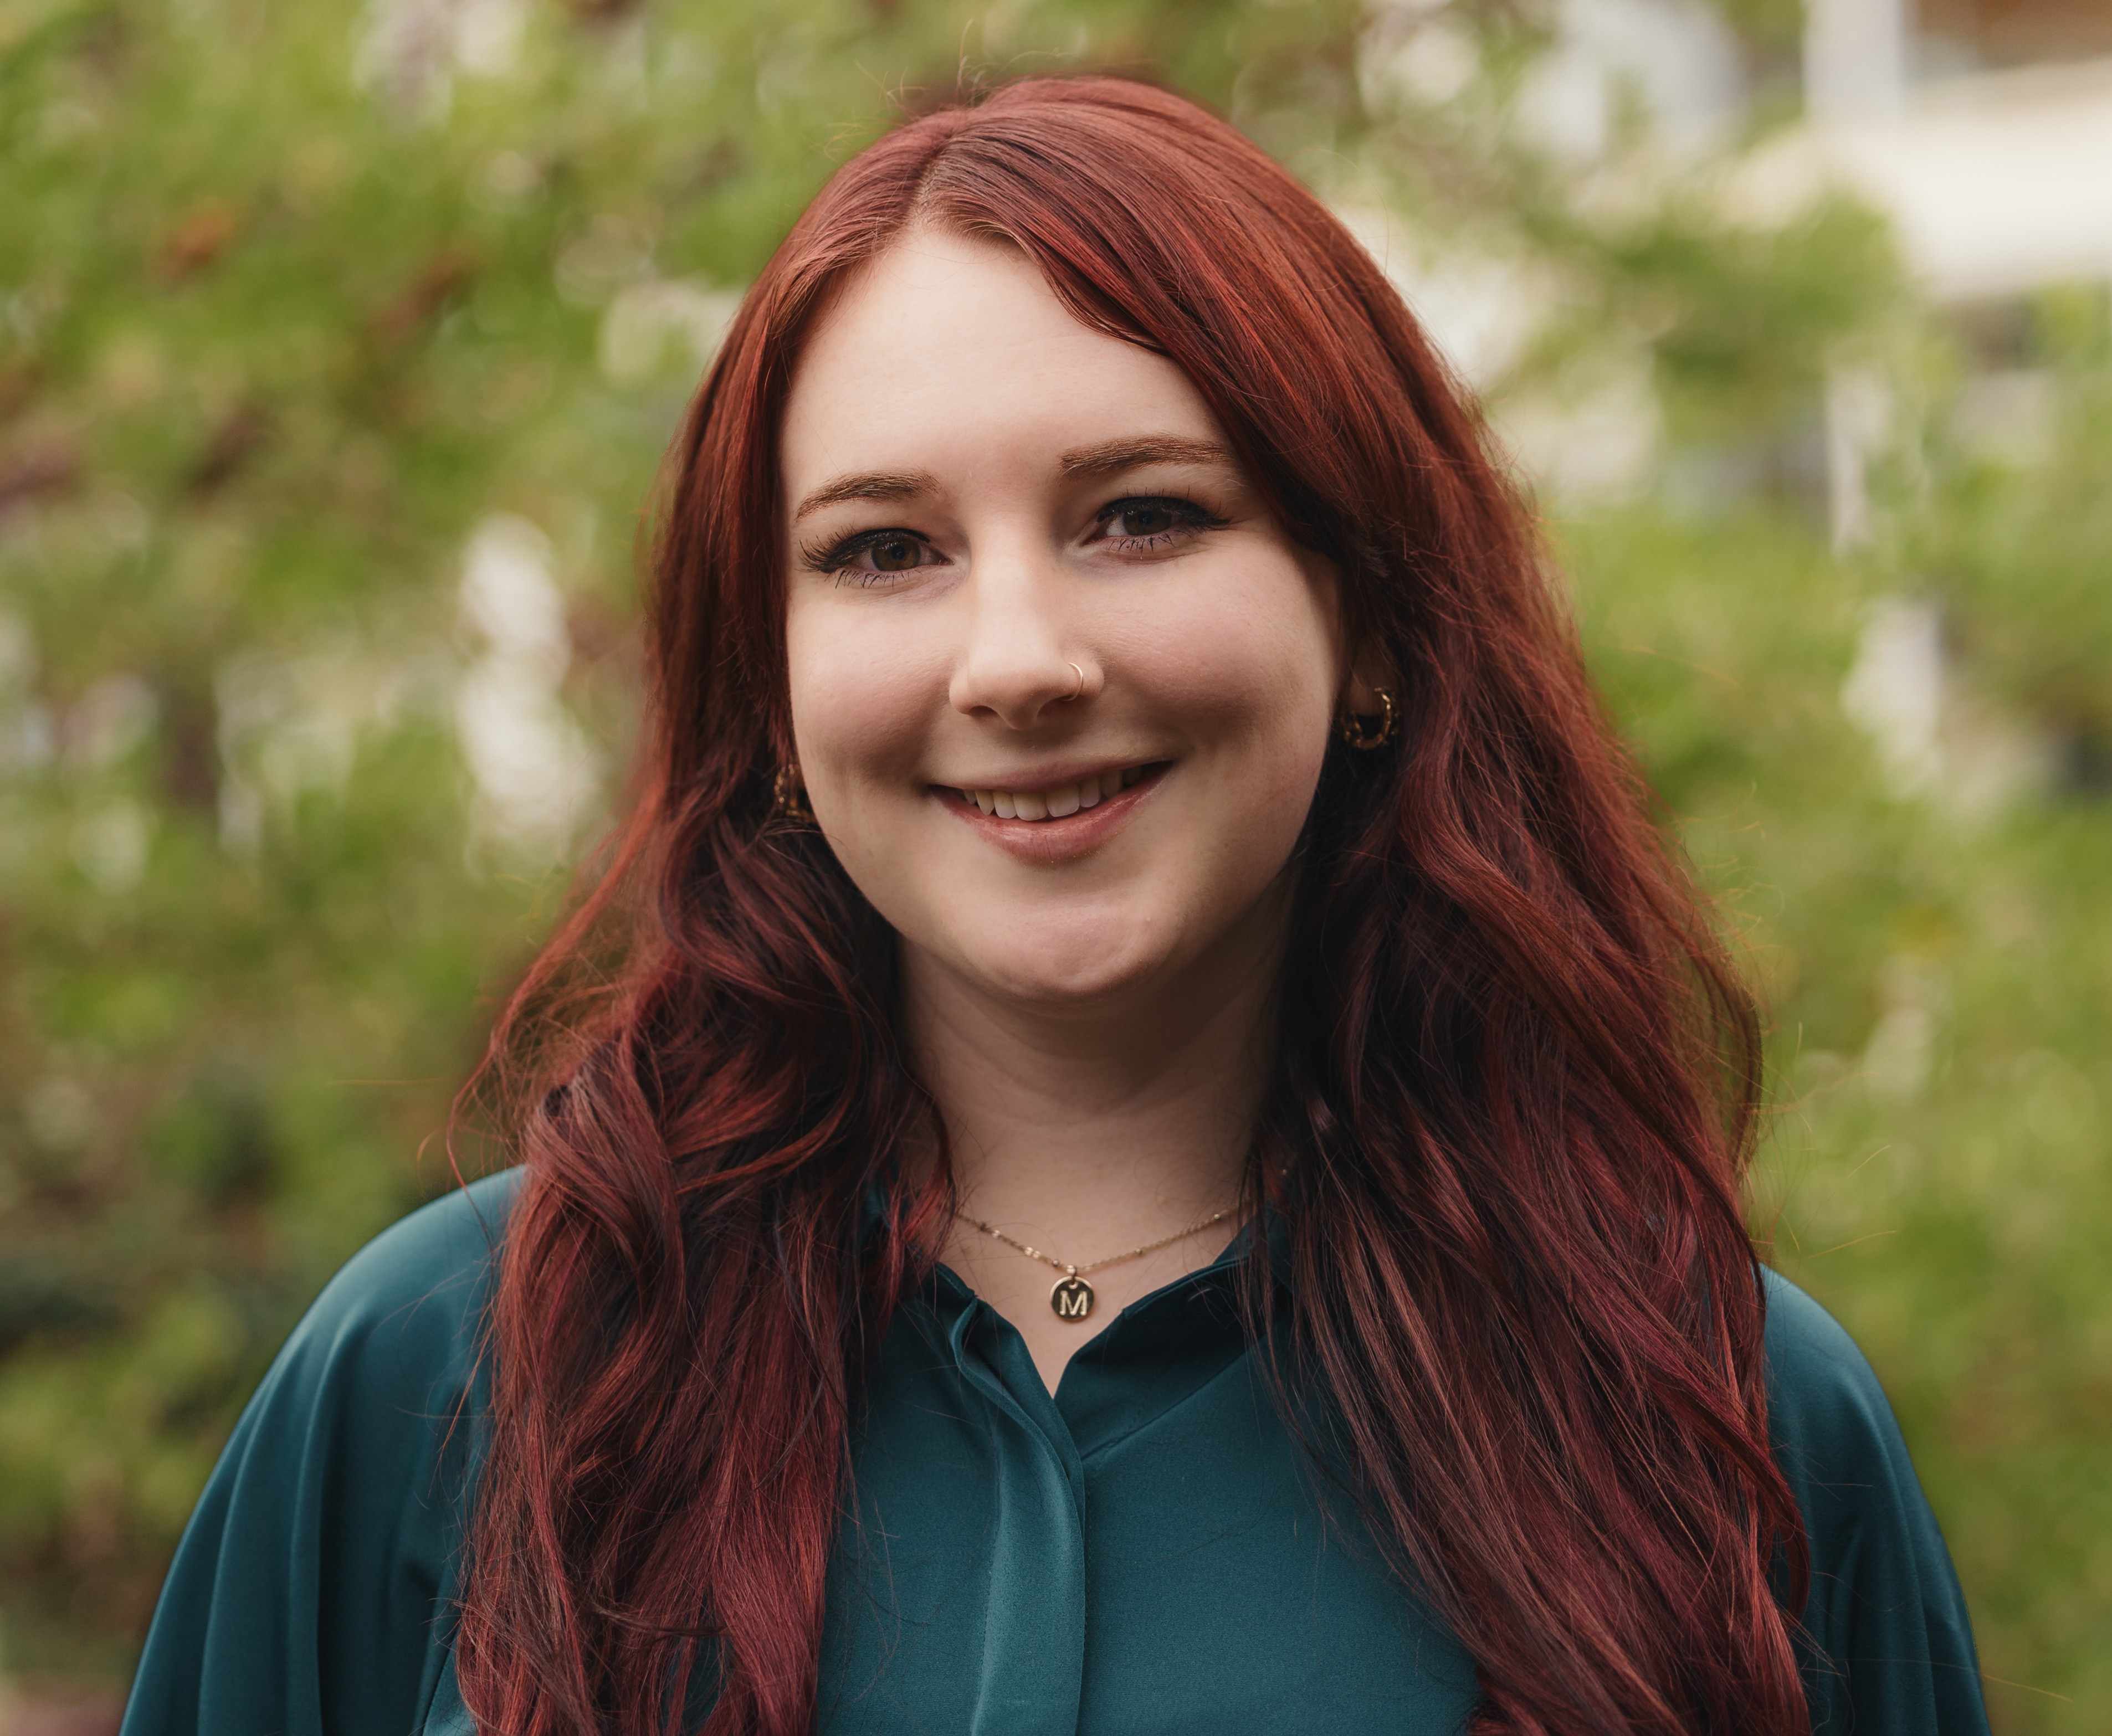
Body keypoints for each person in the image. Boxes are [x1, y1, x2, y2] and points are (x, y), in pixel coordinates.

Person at [119, 74, 1991, 1736]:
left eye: (1142, 515)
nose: (1016, 660)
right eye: (883, 551)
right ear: (766, 694)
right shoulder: (448, 1375)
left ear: (1366, 627)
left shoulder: (1709, 1411)